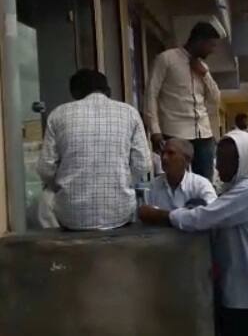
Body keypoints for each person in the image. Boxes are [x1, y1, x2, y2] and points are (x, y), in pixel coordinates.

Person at [139, 129, 248, 336]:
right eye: (217, 158)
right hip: (234, 290)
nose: (217, 165)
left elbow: (203, 218)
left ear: (243, 161)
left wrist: (161, 216)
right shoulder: (234, 188)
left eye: (224, 160)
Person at [37, 69, 150, 230]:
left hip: (71, 216)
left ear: (74, 92)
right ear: (107, 91)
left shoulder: (58, 114)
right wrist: (122, 181)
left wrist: (63, 183)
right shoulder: (130, 113)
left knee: (46, 196)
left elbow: (45, 169)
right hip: (119, 212)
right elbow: (143, 164)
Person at [145, 21, 221, 181]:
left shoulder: (202, 67)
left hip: (203, 133)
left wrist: (204, 74)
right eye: (211, 45)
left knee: (205, 183)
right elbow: (151, 94)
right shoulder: (166, 59)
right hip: (175, 132)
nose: (213, 51)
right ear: (200, 41)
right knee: (176, 182)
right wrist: (155, 130)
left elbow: (216, 98)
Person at [147, 138, 217, 210]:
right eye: (162, 153)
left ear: (187, 159)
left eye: (171, 153)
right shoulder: (154, 185)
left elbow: (212, 212)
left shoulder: (201, 184)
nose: (164, 158)